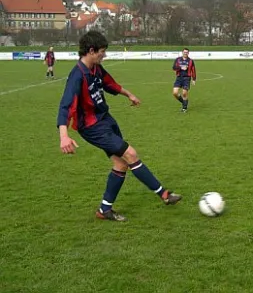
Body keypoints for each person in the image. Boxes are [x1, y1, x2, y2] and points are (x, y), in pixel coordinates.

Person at [57, 31, 182, 222]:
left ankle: (104, 210)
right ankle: (164, 195)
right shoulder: (77, 76)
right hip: (92, 127)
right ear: (91, 51)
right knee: (130, 154)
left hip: (106, 120)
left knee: (121, 163)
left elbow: (110, 84)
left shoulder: (96, 68)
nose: (104, 55)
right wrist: (63, 136)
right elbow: (66, 105)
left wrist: (129, 94)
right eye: (102, 52)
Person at [172, 48, 197, 113]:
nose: (185, 53)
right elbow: (174, 68)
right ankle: (184, 102)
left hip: (187, 78)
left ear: (188, 53)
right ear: (182, 52)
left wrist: (194, 79)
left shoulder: (191, 61)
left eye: (186, 52)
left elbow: (193, 70)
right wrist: (180, 67)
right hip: (179, 78)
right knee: (175, 93)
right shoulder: (178, 59)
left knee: (184, 93)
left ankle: (184, 108)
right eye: (184, 52)